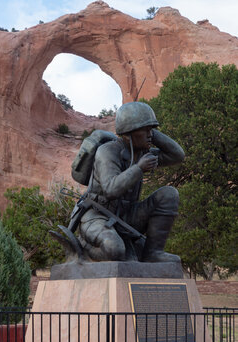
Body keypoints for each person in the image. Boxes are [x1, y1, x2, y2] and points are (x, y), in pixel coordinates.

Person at [76, 101, 185, 262]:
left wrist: (150, 131)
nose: (150, 134)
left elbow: (177, 156)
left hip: (126, 215)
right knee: (115, 250)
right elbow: (110, 189)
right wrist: (139, 168)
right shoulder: (107, 151)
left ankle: (153, 253)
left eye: (152, 130)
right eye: (145, 130)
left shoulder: (142, 153)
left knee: (169, 195)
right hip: (97, 215)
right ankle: (83, 247)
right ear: (127, 134)